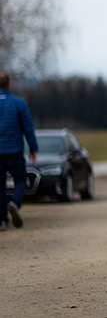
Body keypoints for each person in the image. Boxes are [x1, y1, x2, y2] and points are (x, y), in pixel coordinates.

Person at [0, 73, 38, 230]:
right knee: (21, 181)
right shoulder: (19, 103)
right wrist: (33, 148)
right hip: (15, 151)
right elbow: (28, 128)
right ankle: (15, 203)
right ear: (9, 85)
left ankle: (2, 221)